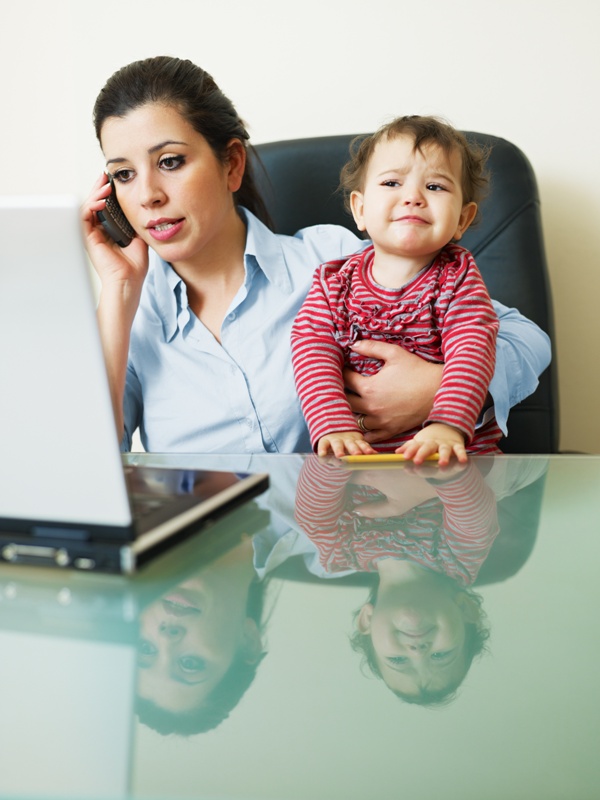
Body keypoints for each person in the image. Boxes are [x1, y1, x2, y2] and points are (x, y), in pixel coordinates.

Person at [82, 56, 551, 455]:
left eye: (170, 162)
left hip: (350, 543)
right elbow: (86, 465)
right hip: (206, 554)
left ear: (232, 164)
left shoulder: (337, 263)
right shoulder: (129, 317)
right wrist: (119, 292)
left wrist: (439, 392)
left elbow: (525, 340)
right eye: (123, 174)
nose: (147, 196)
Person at [291, 115, 501, 465]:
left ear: (462, 219)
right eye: (392, 183)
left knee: (471, 517)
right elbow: (311, 350)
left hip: (449, 459)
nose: (413, 197)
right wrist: (332, 424)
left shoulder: (457, 276)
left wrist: (447, 424)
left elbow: (473, 347)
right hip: (360, 459)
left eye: (435, 187)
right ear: (360, 209)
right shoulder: (332, 282)